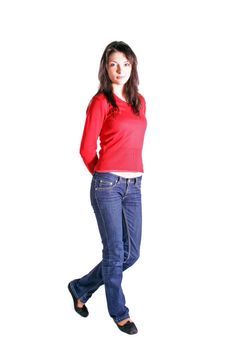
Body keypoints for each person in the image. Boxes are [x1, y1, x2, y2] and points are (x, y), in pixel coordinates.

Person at [68, 41, 147, 335]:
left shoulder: (139, 101)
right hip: (108, 185)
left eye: (125, 64)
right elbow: (87, 148)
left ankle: (80, 287)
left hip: (135, 185)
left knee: (131, 253)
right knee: (114, 253)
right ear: (106, 67)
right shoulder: (101, 102)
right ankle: (120, 313)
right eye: (114, 64)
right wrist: (103, 176)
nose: (120, 69)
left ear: (132, 66)